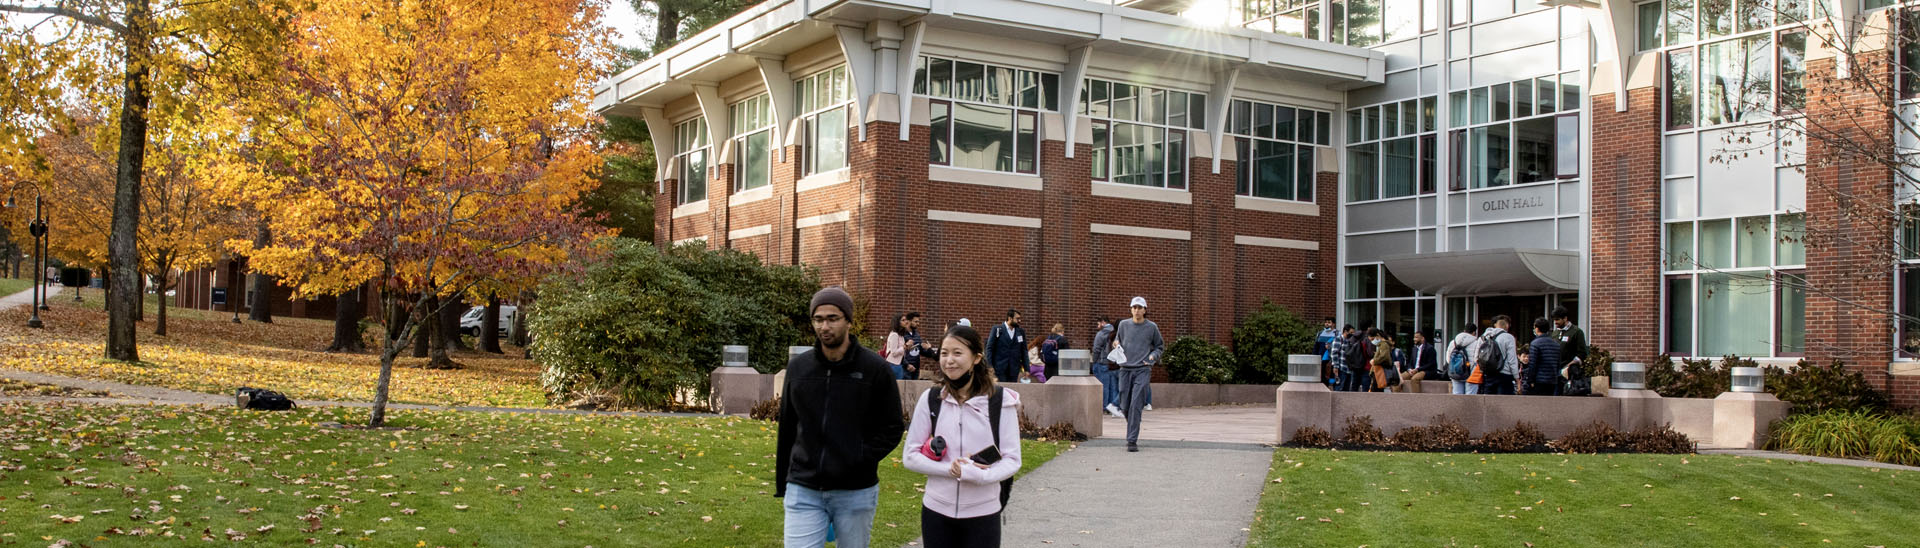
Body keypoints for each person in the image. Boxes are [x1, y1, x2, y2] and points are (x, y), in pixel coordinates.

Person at [776, 287, 906, 548]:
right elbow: (788, 427)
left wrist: (859, 457)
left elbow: (893, 427)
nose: (825, 326)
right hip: (804, 489)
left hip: (855, 490)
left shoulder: (874, 369)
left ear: (848, 320)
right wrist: (783, 483)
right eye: (818, 319)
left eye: (832, 318)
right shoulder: (799, 368)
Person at [903, 325, 1021, 548]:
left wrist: (978, 475)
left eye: (957, 353)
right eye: (944, 353)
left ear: (976, 358)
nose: (949, 360)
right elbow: (910, 455)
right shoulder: (931, 399)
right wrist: (950, 470)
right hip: (936, 511)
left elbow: (1012, 459)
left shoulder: (1000, 401)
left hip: (983, 513)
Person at [1112, 296, 1164, 452]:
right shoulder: (1123, 325)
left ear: (1145, 310)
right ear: (1131, 309)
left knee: (1136, 404)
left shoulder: (1152, 327)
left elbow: (1159, 346)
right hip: (1125, 369)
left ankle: (1131, 440)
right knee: (1124, 405)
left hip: (1142, 369)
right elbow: (1117, 340)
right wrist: (1116, 344)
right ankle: (1133, 424)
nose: (1136, 310)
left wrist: (1153, 356)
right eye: (1134, 307)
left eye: (1140, 308)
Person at [1550, 307, 1589, 394]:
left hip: (1570, 372)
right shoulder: (1555, 333)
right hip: (1556, 371)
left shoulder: (1576, 332)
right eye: (1554, 320)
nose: (1555, 322)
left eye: (1557, 319)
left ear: (1565, 318)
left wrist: (1570, 364)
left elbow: (1582, 353)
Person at [1479, 315, 1521, 396]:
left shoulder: (1484, 336)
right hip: (1504, 374)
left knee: (1489, 403)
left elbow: (1477, 357)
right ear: (1507, 325)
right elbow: (1512, 359)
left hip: (1488, 374)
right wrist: (1517, 378)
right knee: (1504, 403)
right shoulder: (1509, 337)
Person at [1090, 317, 1122, 418]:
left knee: (1103, 387)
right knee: (1112, 387)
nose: (1097, 326)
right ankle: (1112, 407)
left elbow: (1096, 349)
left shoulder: (1101, 333)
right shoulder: (1114, 333)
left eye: (1098, 323)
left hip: (1101, 362)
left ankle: (1104, 407)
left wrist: (1094, 361)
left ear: (1103, 322)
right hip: (1112, 363)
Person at [986, 310, 1027, 383]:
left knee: (1011, 391)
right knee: (1001, 390)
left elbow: (1024, 350)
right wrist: (989, 366)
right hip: (999, 368)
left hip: (1014, 369)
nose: (1019, 321)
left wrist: (1027, 368)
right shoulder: (997, 329)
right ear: (1010, 318)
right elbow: (989, 348)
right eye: (1017, 319)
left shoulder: (1020, 332)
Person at [1525, 318, 1563, 396]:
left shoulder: (1535, 344)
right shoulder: (1556, 344)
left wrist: (1530, 380)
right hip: (1552, 380)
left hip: (1539, 380)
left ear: (1537, 328)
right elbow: (1558, 363)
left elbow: (1533, 364)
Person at [1445, 323, 1483, 395]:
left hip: (1456, 372)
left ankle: (1458, 406)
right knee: (1470, 397)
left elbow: (1448, 358)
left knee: (1457, 395)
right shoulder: (1477, 343)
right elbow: (1477, 359)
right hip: (1471, 373)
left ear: (1464, 330)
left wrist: (1456, 366)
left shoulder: (1453, 342)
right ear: (1474, 332)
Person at [903, 312, 935, 380]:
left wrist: (929, 349)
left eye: (918, 321)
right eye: (916, 321)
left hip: (916, 369)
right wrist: (907, 365)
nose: (918, 323)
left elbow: (921, 350)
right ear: (909, 321)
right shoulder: (902, 335)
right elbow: (899, 353)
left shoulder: (917, 334)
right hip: (905, 369)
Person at [1366, 328, 1395, 393]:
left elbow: (1384, 357)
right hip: (1378, 371)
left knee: (1375, 391)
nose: (1372, 341)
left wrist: (1374, 361)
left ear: (1377, 336)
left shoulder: (1384, 345)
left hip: (1379, 371)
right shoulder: (1382, 345)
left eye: (1373, 339)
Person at [1329, 324, 1354, 391]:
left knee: (1347, 388)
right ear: (1345, 331)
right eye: (1351, 332)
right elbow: (1334, 353)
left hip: (1349, 369)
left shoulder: (1350, 341)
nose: (1352, 334)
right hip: (1341, 368)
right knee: (1339, 387)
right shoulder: (1338, 339)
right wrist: (1335, 366)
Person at [886, 315, 910, 380]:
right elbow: (893, 353)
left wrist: (907, 347)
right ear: (897, 322)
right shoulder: (894, 335)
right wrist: (905, 346)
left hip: (899, 364)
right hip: (893, 364)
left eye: (906, 320)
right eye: (903, 320)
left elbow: (901, 349)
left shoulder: (901, 335)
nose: (906, 322)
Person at [1315, 318, 1338, 385]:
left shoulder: (1337, 333)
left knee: (1332, 376)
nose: (1327, 324)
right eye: (1326, 322)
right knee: (1322, 375)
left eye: (1329, 322)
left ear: (1333, 324)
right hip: (1322, 357)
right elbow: (1316, 346)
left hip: (1332, 358)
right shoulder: (1320, 333)